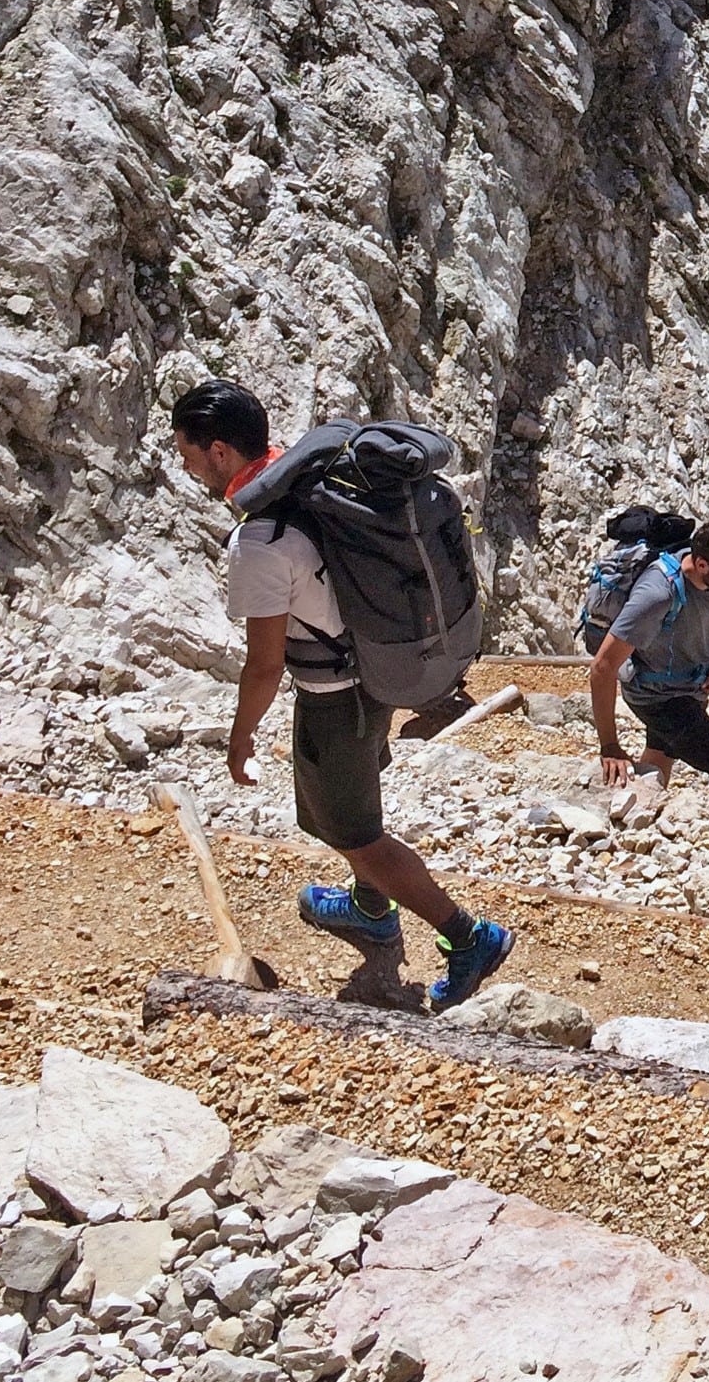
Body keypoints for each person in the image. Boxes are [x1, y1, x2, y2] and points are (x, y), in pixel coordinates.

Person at [169, 381, 514, 1008]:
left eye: (186, 450)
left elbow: (265, 664)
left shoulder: (260, 541)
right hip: (374, 673)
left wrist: (241, 733)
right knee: (338, 812)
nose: (183, 462)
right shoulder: (312, 483)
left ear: (219, 451)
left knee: (357, 835)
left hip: (335, 699)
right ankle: (367, 907)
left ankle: (469, 937)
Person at [588, 517, 709, 803]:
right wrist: (610, 746)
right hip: (658, 699)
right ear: (702, 565)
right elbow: (602, 667)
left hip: (688, 687)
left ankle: (636, 817)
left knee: (658, 760)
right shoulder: (657, 594)